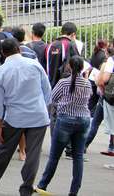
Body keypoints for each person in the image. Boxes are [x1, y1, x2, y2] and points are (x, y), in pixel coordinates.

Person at [0, 38, 51, 196]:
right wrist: (41, 106)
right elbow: (47, 90)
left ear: (3, 53)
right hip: (38, 115)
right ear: (19, 49)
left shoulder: (1, 71)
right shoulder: (34, 65)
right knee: (33, 154)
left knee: (4, 150)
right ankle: (26, 187)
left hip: (14, 117)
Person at [34, 55, 91, 196]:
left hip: (65, 120)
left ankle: (43, 184)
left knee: (54, 156)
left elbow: (52, 98)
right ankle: (74, 191)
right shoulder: (87, 83)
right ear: (82, 68)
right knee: (78, 156)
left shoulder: (63, 83)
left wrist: (59, 107)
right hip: (84, 119)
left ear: (69, 66)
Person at [46, 22, 80, 87]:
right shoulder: (70, 44)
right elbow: (77, 62)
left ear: (61, 32)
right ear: (73, 34)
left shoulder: (50, 45)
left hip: (50, 85)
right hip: (64, 86)